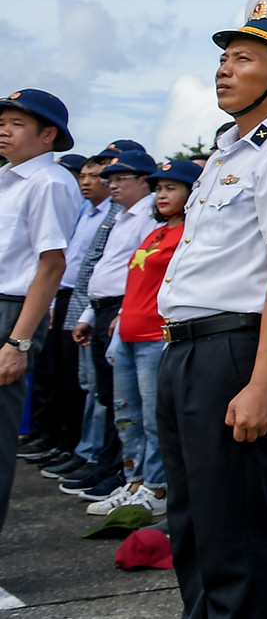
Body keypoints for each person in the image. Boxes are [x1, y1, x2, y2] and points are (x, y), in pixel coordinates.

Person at [155, 0, 267, 617]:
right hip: (186, 349)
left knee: (235, 533)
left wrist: (264, 384)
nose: (225, 68)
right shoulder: (223, 157)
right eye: (225, 56)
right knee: (193, 526)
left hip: (236, 352)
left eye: (244, 58)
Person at [92, 158, 196, 520]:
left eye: (171, 188)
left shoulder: (192, 235)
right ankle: (133, 481)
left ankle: (157, 487)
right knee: (127, 416)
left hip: (157, 336)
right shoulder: (155, 232)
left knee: (155, 418)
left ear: (192, 191)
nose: (161, 195)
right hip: (129, 333)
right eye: (159, 188)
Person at [0, 88, 79, 536]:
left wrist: (18, 342)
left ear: (48, 135)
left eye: (16, 124)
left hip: (13, 312)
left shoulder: (48, 182)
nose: (4, 131)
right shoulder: (8, 178)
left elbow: (51, 266)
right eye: (1, 123)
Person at [75, 150, 168, 501]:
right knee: (115, 401)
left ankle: (141, 479)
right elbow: (111, 267)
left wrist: (122, 311)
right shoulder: (122, 216)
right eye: (109, 179)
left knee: (143, 407)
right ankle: (127, 474)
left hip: (135, 316)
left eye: (119, 179)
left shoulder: (152, 218)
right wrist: (88, 315)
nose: (109, 184)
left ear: (144, 181)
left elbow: (145, 276)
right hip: (112, 311)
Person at [25, 151, 110, 473]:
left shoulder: (109, 215)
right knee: (55, 373)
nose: (86, 182)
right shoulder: (82, 212)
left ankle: (73, 443)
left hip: (86, 301)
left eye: (93, 176)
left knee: (80, 382)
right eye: (83, 177)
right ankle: (54, 439)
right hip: (60, 295)